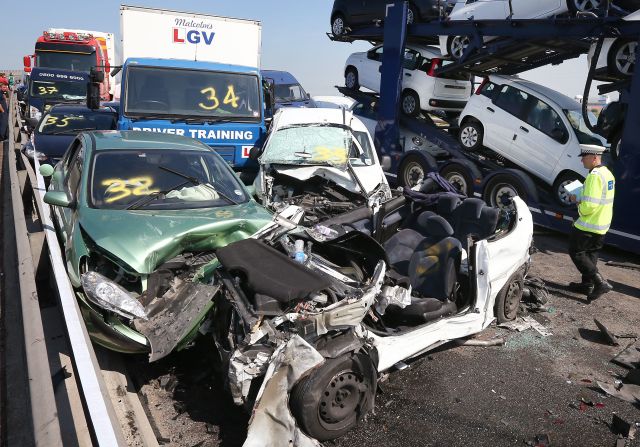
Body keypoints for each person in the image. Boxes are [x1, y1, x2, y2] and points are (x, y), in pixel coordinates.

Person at [568, 146, 615, 303]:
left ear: (594, 157)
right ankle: (587, 285)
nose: (581, 160)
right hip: (601, 224)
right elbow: (598, 199)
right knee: (591, 254)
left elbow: (589, 206)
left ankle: (599, 282)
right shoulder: (607, 174)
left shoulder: (594, 176)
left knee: (576, 252)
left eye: (584, 157)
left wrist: (577, 202)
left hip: (588, 225)